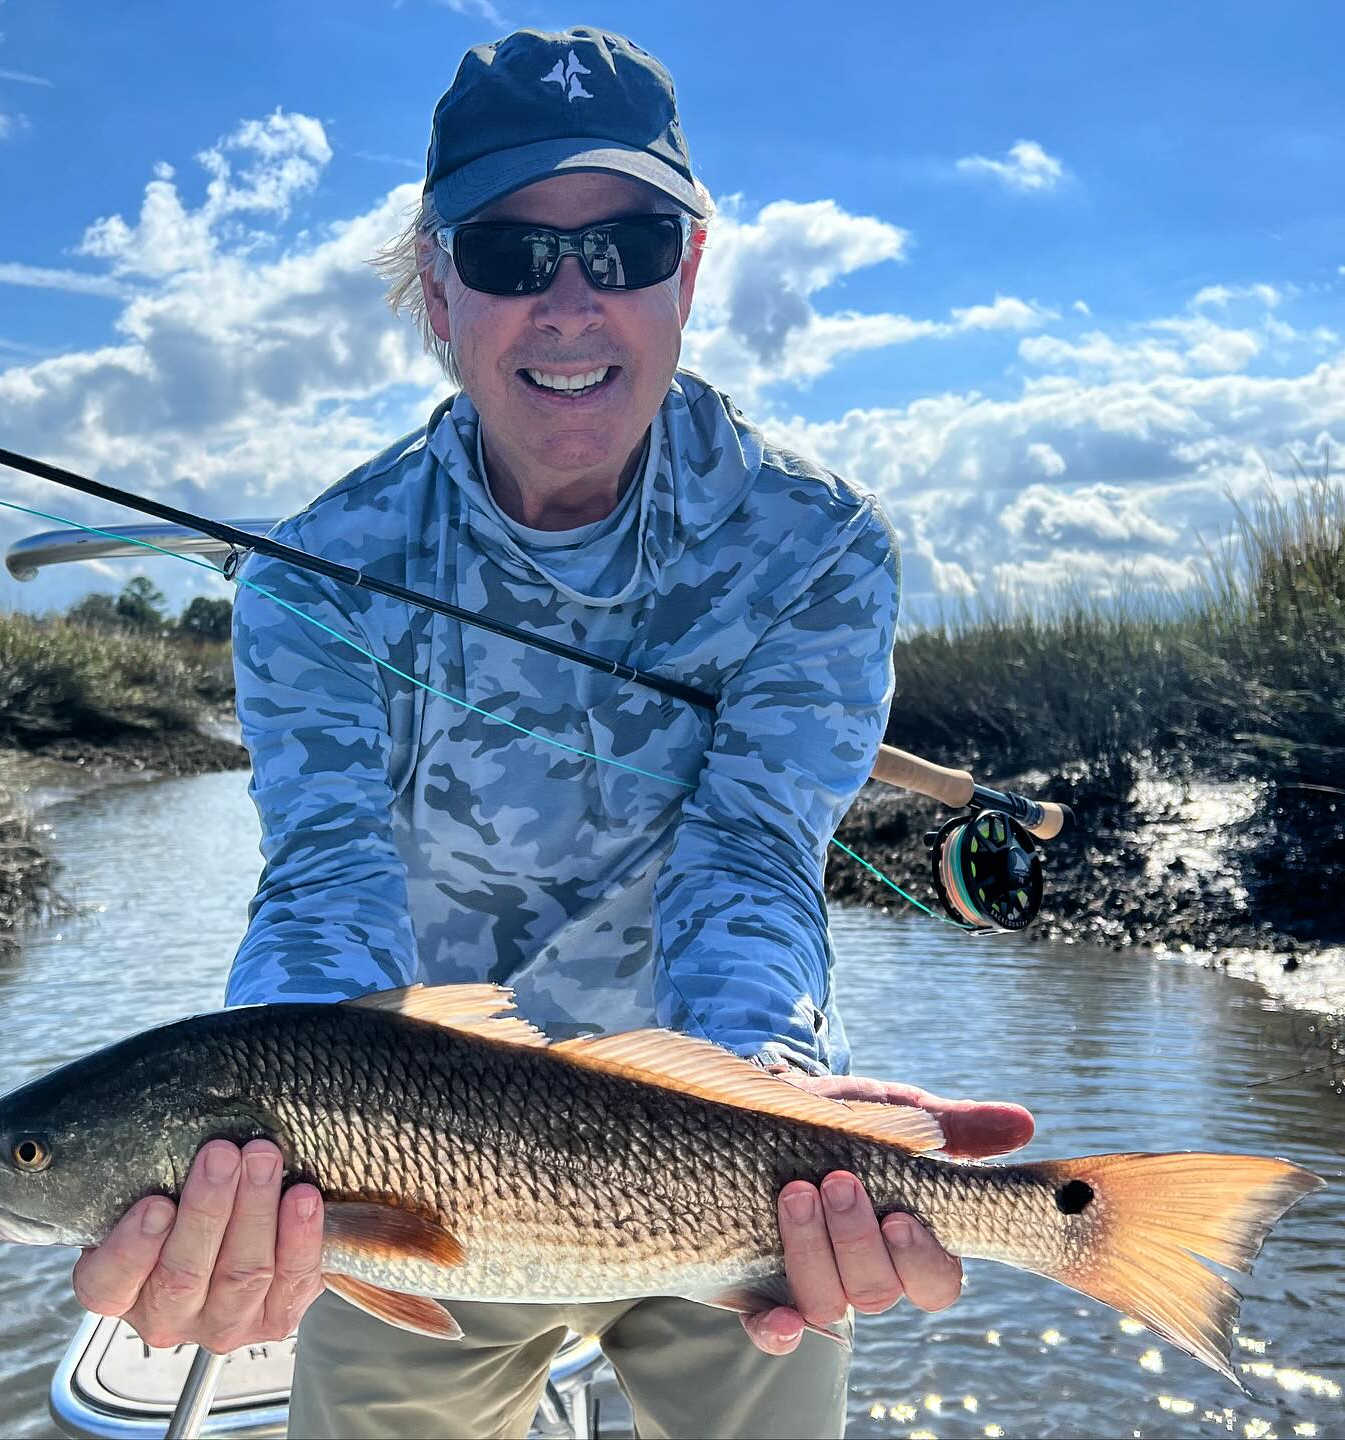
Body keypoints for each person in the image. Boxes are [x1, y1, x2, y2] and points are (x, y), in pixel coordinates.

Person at [71, 26, 1034, 1439]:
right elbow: (326, 883)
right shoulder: (313, 575)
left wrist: (768, 1100)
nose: (572, 303)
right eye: (514, 253)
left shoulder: (816, 553)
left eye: (628, 246)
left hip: (730, 1158)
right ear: (438, 288)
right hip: (404, 1185)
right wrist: (258, 1141)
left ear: (689, 274)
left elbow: (755, 859)